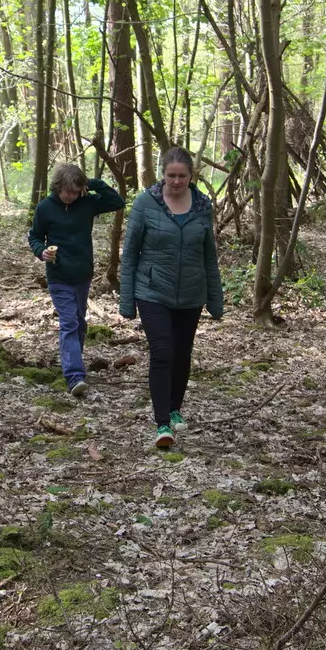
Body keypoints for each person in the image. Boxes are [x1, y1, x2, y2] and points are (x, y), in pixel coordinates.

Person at [119, 146, 223, 449]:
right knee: (162, 351)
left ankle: (176, 407)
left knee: (181, 353)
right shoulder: (144, 204)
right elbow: (130, 255)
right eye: (170, 175)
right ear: (162, 174)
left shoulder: (203, 206)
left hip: (192, 293)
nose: (176, 181)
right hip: (152, 291)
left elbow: (209, 256)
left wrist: (215, 301)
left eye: (182, 176)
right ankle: (162, 422)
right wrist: (127, 301)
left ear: (191, 176)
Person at [27, 163, 125, 398]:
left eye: (75, 191)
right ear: (58, 186)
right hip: (58, 275)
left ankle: (74, 362)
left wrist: (92, 183)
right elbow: (35, 236)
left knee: (80, 323)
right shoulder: (45, 208)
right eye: (67, 191)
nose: (71, 196)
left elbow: (117, 201)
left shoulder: (87, 203)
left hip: (82, 274)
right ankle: (74, 376)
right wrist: (42, 252)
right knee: (69, 323)